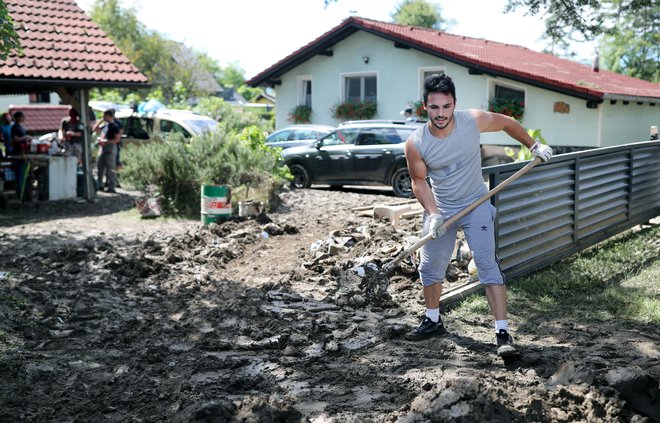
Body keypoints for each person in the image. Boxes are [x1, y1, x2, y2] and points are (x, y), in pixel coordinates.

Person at [403, 74, 553, 356]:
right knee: (430, 267)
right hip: (443, 210)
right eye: (434, 108)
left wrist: (534, 146)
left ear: (454, 104)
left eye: (446, 107)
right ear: (425, 107)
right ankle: (433, 320)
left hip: (476, 203)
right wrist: (433, 214)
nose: (441, 114)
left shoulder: (471, 121)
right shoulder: (416, 143)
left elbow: (508, 123)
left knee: (486, 264)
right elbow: (419, 182)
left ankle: (502, 332)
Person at [92, 109, 122, 193]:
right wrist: (100, 120)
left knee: (111, 168)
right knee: (100, 166)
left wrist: (106, 141)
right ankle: (100, 184)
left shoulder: (114, 126)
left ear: (109, 116)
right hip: (103, 148)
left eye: (105, 116)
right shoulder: (105, 125)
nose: (104, 117)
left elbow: (117, 139)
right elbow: (95, 129)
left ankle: (111, 186)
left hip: (110, 148)